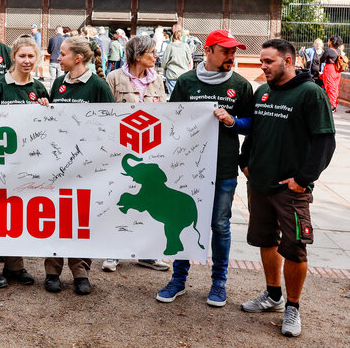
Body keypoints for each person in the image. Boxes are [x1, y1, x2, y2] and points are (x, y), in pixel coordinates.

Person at [239, 39, 335, 337]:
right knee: (266, 241)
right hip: (260, 183)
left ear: (289, 61)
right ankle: (273, 295)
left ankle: (292, 308)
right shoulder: (262, 92)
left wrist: (303, 179)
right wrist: (245, 159)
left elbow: (324, 142)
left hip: (290, 189)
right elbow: (255, 131)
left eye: (269, 61)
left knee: (294, 248)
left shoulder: (310, 94)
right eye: (262, 61)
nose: (263, 66)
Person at [156, 29, 253, 307]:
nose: (231, 56)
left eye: (234, 52)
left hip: (223, 168)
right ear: (208, 51)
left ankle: (219, 282)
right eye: (226, 51)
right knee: (181, 220)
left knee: (219, 225)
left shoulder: (241, 85)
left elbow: (251, 124)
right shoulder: (186, 82)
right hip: (188, 169)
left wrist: (232, 121)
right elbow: (173, 120)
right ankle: (178, 279)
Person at [44, 36, 114, 295]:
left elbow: (110, 125)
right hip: (58, 164)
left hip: (86, 166)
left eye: (62, 54)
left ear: (78, 58)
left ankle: (81, 271)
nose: (57, 58)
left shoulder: (98, 86)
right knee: (56, 215)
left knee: (81, 217)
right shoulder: (58, 83)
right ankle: (52, 271)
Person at [0, 35, 46, 288]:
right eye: (22, 56)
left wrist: (46, 107)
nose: (26, 61)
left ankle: (15, 265)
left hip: (25, 162)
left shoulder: (38, 88)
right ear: (13, 57)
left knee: (16, 212)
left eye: (31, 56)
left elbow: (47, 127)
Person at [103, 34, 169, 272]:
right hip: (121, 150)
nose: (155, 56)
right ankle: (114, 251)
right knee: (119, 199)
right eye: (151, 52)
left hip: (150, 150)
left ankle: (148, 253)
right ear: (138, 55)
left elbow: (163, 114)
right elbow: (106, 113)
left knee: (151, 200)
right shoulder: (114, 78)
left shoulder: (157, 81)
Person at [161, 25, 193, 94]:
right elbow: (189, 60)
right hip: (184, 74)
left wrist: (163, 67)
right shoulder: (186, 46)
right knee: (183, 94)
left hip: (172, 74)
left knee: (173, 95)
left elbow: (164, 61)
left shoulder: (169, 46)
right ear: (181, 37)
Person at [319, 35, 343, 112]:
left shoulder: (329, 51)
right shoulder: (339, 51)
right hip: (337, 71)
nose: (328, 42)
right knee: (335, 88)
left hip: (330, 70)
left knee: (329, 88)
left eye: (329, 40)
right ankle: (334, 105)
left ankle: (331, 107)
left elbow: (321, 60)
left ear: (331, 42)